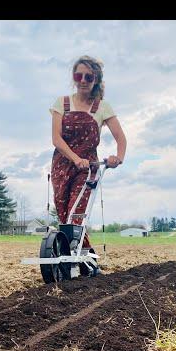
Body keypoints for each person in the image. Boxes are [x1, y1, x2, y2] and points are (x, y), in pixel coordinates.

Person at [49, 55, 127, 254]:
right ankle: (86, 256)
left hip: (88, 168)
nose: (83, 81)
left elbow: (121, 139)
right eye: (78, 76)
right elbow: (56, 139)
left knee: (76, 213)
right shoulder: (62, 103)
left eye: (88, 77)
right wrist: (75, 159)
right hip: (62, 164)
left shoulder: (102, 107)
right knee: (63, 211)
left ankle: (72, 254)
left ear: (96, 81)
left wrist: (117, 158)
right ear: (74, 78)